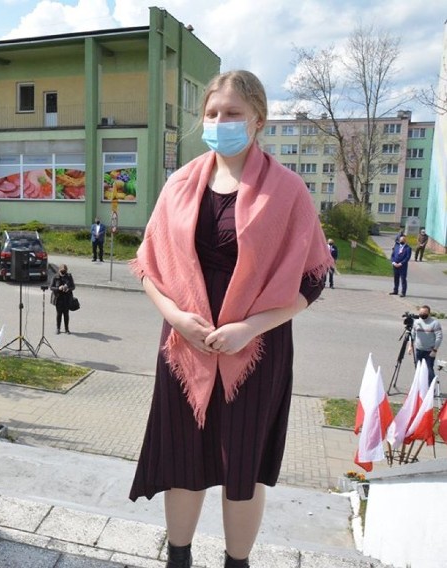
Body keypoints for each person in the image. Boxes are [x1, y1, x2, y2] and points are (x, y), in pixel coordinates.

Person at [128, 70, 332, 568]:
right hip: (183, 347)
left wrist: (249, 328)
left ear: (258, 120)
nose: (221, 122)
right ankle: (179, 558)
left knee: (242, 465)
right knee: (182, 460)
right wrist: (176, 318)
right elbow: (149, 266)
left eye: (234, 114)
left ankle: (236, 563)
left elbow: (311, 280)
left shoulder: (287, 191)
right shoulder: (179, 183)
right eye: (213, 113)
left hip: (257, 350)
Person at [408, 305, 442, 386]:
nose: (422, 314)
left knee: (429, 370)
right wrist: (410, 346)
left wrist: (435, 350)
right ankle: (420, 386)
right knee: (418, 369)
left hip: (429, 352)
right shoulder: (417, 322)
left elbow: (439, 337)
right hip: (419, 350)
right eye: (421, 313)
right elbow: (412, 335)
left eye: (424, 313)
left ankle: (431, 388)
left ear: (429, 313)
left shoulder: (435, 323)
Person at [50, 263, 75, 334]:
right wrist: (58, 288)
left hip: (67, 298)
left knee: (66, 314)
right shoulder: (55, 277)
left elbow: (73, 286)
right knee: (59, 314)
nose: (63, 273)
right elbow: (51, 287)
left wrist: (68, 289)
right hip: (58, 298)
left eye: (65, 271)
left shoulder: (69, 276)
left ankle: (67, 329)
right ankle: (58, 328)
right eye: (62, 271)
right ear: (59, 271)